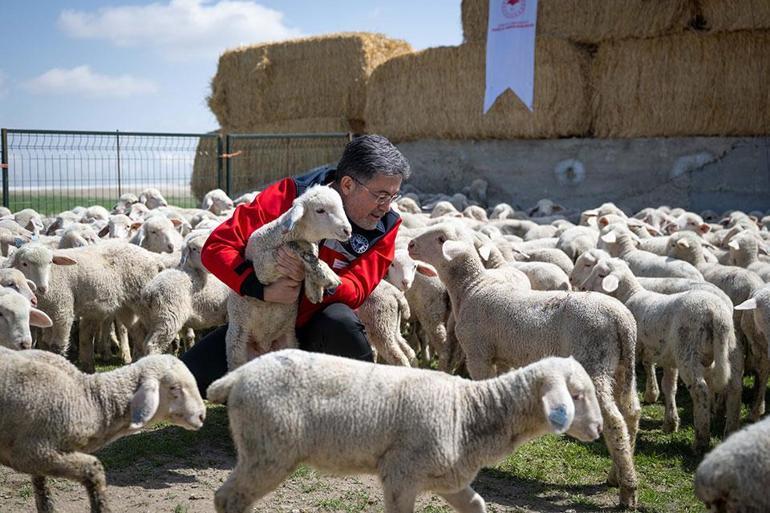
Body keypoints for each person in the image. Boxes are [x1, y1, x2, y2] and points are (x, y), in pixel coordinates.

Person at [181, 134, 410, 396]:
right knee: (187, 379)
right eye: (380, 195)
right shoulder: (292, 196)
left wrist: (310, 275)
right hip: (261, 321)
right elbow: (217, 246)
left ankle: (359, 406)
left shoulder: (386, 227)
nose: (386, 206)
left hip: (317, 327)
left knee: (341, 322)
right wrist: (259, 288)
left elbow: (359, 286)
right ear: (347, 185)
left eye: (392, 196)